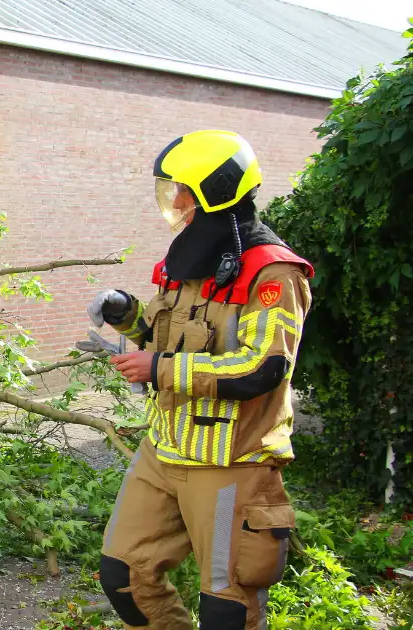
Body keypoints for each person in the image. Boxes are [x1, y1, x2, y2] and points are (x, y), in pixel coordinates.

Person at [89, 130, 314, 629]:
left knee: (226, 607)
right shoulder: (191, 257)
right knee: (124, 575)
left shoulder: (273, 273)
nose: (175, 202)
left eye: (184, 191)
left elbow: (262, 368)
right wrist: (126, 314)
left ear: (216, 192)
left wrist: (160, 369)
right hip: (164, 449)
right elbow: (165, 336)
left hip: (231, 462)